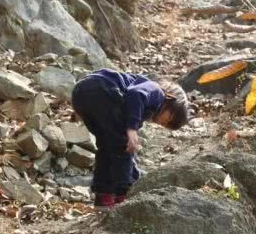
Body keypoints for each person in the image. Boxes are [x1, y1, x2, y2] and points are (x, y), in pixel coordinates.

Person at [71, 68, 189, 208]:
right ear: (170, 99)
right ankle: (124, 195)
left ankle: (103, 196)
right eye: (168, 120)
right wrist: (131, 129)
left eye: (166, 126)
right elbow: (135, 94)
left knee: (107, 147)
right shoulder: (156, 92)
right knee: (123, 145)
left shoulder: (142, 109)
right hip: (102, 89)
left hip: (80, 94)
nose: (162, 124)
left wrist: (135, 173)